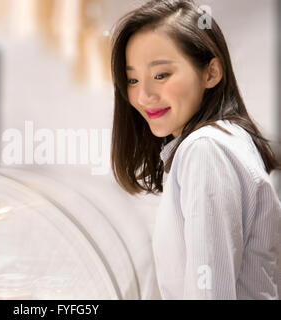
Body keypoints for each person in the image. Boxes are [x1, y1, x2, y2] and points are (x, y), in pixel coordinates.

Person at [110, 0, 281, 299]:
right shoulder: (226, 138)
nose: (144, 95)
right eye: (133, 79)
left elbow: (209, 292)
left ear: (211, 73)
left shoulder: (205, 150)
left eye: (161, 75)